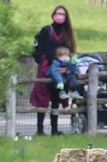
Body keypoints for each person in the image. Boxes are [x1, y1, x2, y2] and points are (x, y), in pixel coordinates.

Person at [30, 5, 77, 136]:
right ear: (53, 15)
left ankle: (54, 129)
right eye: (58, 13)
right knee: (42, 98)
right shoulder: (46, 30)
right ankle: (40, 129)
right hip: (46, 68)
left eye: (62, 14)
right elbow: (39, 49)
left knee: (56, 98)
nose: (60, 16)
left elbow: (70, 52)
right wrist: (51, 65)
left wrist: (66, 68)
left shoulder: (67, 34)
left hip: (63, 69)